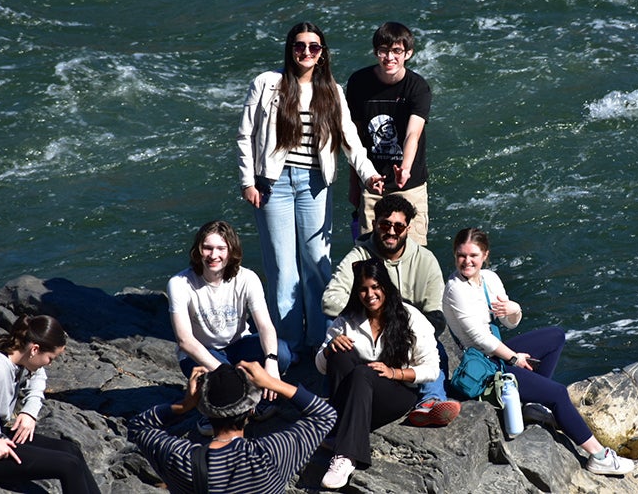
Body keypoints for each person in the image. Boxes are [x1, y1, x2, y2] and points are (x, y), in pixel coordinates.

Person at [236, 21, 385, 357]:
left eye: (313, 47)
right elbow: (245, 135)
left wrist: (369, 175)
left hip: (315, 184)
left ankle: (321, 340)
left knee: (317, 264)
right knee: (281, 266)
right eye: (299, 46)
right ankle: (287, 345)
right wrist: (248, 181)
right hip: (273, 184)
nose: (306, 52)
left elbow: (351, 141)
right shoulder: (267, 83)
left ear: (322, 54)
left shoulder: (331, 90)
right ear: (291, 49)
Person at [442, 228, 635, 476]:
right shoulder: (455, 288)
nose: (467, 261)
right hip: (483, 366)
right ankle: (599, 456)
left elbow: (511, 323)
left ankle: (531, 402)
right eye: (461, 255)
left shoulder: (489, 279)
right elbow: (480, 338)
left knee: (555, 336)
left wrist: (514, 308)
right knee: (557, 394)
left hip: (496, 355)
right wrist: (514, 357)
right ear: (454, 255)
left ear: (485, 255)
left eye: (473, 255)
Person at [322, 194, 460, 427]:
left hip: (407, 333)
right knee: (336, 336)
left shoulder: (424, 260)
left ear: (408, 228)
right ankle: (344, 401)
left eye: (399, 226)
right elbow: (330, 301)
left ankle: (430, 401)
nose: (391, 231)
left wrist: (399, 319)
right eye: (385, 225)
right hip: (368, 330)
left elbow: (435, 314)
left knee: (436, 346)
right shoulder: (359, 257)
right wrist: (370, 309)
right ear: (375, 224)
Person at [315, 258, 440, 489]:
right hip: (358, 395)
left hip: (396, 393)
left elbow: (432, 368)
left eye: (375, 287)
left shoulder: (409, 316)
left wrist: (395, 373)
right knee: (340, 353)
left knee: (363, 373)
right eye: (363, 289)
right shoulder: (348, 319)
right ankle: (343, 427)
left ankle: (346, 454)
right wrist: (331, 347)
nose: (369, 294)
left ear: (385, 287)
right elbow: (321, 365)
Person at [128, 360, 336, 494]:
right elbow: (325, 414)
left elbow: (138, 426)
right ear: (251, 409)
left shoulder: (180, 458)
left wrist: (184, 405)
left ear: (204, 410)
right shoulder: (270, 455)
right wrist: (272, 382)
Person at [167, 220, 291, 434]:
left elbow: (265, 326)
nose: (213, 255)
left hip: (238, 345)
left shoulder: (247, 278)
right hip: (202, 353)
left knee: (282, 353)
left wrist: (271, 362)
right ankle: (210, 410)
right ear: (198, 250)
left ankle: (253, 397)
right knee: (225, 386)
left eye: (221, 249)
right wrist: (225, 372)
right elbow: (184, 340)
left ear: (231, 250)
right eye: (207, 248)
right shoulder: (179, 283)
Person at [0, 315, 100, 493]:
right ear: (35, 349)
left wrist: (30, 411)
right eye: (50, 358)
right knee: (68, 465)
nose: (48, 364)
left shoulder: (15, 353)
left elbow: (38, 376)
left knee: (71, 450)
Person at [346, 21, 432, 245]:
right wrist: (355, 184)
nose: (389, 57)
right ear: (376, 52)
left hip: (409, 186)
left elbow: (412, 134)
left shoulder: (418, 87)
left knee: (414, 255)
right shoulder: (358, 83)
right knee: (369, 258)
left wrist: (405, 168)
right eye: (383, 50)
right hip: (373, 183)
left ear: (408, 53)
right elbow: (354, 139)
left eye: (397, 51)